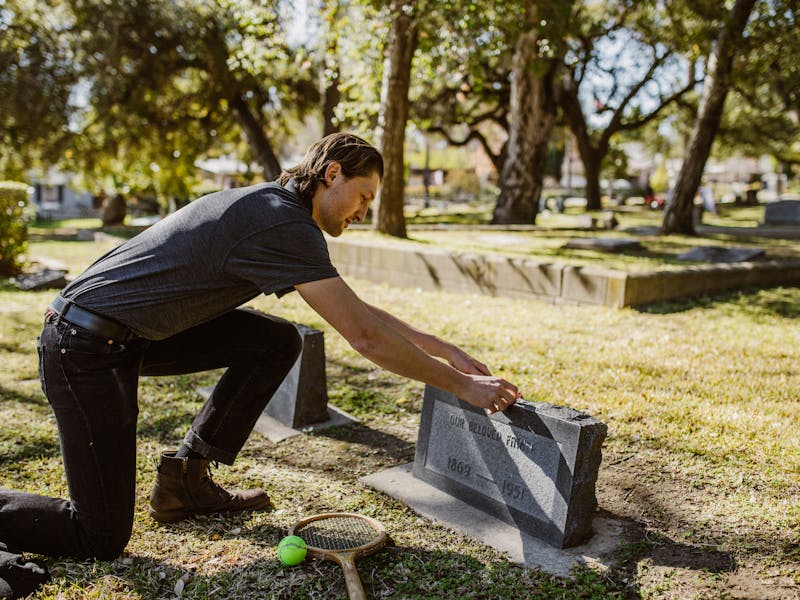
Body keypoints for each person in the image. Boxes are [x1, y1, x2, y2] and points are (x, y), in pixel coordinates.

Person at [0, 133, 518, 596]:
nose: (363, 212)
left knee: (274, 342)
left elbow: (356, 310)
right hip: (82, 347)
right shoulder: (283, 222)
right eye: (363, 196)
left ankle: (185, 482)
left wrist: (442, 348)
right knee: (100, 534)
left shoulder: (277, 210)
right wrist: (462, 385)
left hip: (126, 336)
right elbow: (365, 338)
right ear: (332, 174)